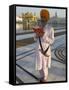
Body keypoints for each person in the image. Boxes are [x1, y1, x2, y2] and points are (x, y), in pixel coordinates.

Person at [34, 9, 54, 82]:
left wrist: (44, 37)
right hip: (39, 49)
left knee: (45, 65)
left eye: (44, 18)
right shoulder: (38, 27)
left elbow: (52, 41)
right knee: (40, 64)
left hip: (45, 49)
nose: (43, 20)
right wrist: (36, 35)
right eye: (42, 18)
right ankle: (42, 76)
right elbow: (34, 38)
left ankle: (45, 78)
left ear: (47, 19)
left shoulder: (50, 28)